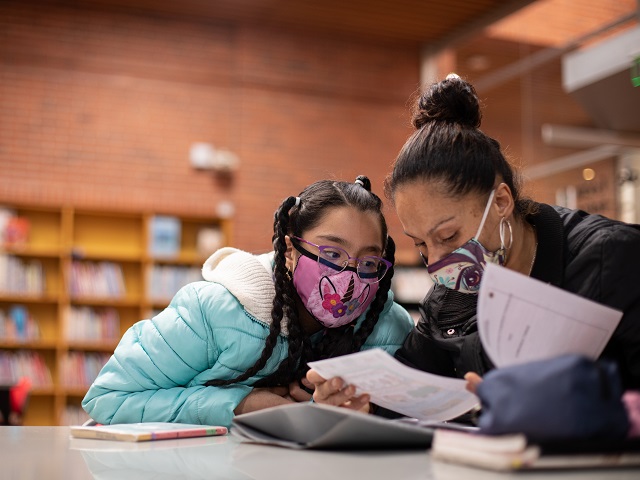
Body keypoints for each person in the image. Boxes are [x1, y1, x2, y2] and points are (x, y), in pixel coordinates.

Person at [308, 74, 640, 411]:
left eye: (448, 236)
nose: (437, 263)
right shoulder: (449, 297)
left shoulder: (612, 259)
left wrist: (581, 407)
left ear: (500, 203)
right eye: (421, 245)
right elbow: (410, 389)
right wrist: (361, 402)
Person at [82, 176, 414, 427]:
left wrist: (336, 411)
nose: (350, 276)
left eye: (368, 262)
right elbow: (108, 398)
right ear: (290, 251)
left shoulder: (387, 328)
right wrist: (241, 405)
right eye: (330, 253)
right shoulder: (216, 310)